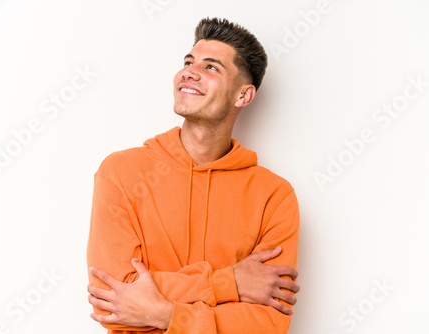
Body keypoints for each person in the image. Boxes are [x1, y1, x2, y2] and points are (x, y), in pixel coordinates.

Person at [86, 17, 300, 333]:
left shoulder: (274, 195)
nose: (189, 71)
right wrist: (233, 283)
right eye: (189, 61)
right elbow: (111, 295)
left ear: (242, 95)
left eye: (211, 67)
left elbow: (268, 324)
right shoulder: (122, 172)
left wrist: (166, 315)